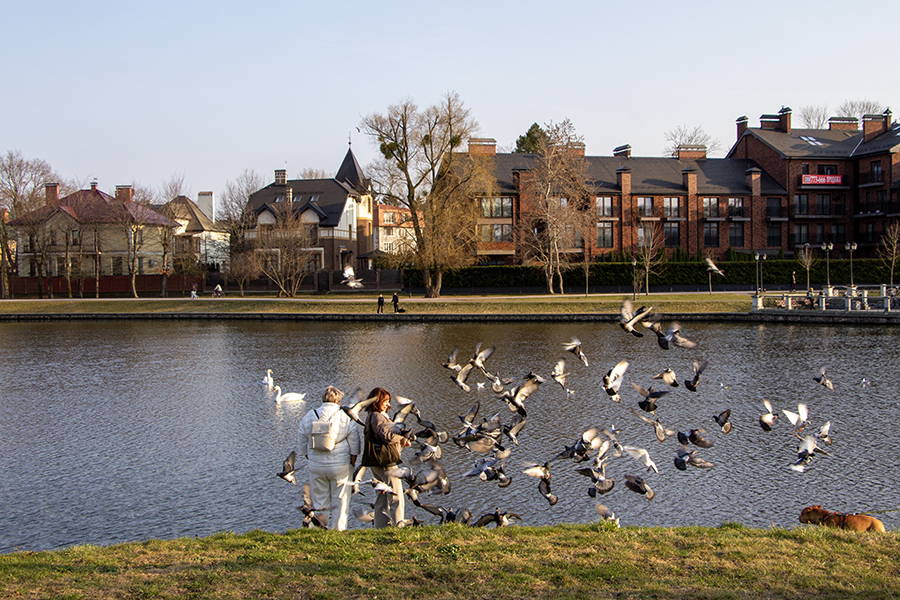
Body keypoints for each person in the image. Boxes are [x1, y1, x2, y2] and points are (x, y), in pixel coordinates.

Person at [296, 386, 361, 531]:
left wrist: (310, 457)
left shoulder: (309, 416)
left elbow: (301, 442)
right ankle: (339, 531)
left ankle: (317, 530)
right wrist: (352, 462)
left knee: (319, 500)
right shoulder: (345, 416)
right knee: (341, 500)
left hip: (316, 465)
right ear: (338, 400)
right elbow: (355, 443)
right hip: (340, 465)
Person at [361, 387, 411, 527]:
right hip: (385, 463)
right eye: (385, 401)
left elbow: (383, 436)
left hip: (376, 462)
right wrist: (402, 436)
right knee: (396, 495)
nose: (389, 405)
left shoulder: (372, 415)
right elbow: (386, 436)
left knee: (382, 497)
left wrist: (401, 441)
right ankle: (398, 524)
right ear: (377, 401)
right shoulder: (377, 416)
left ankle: (380, 527)